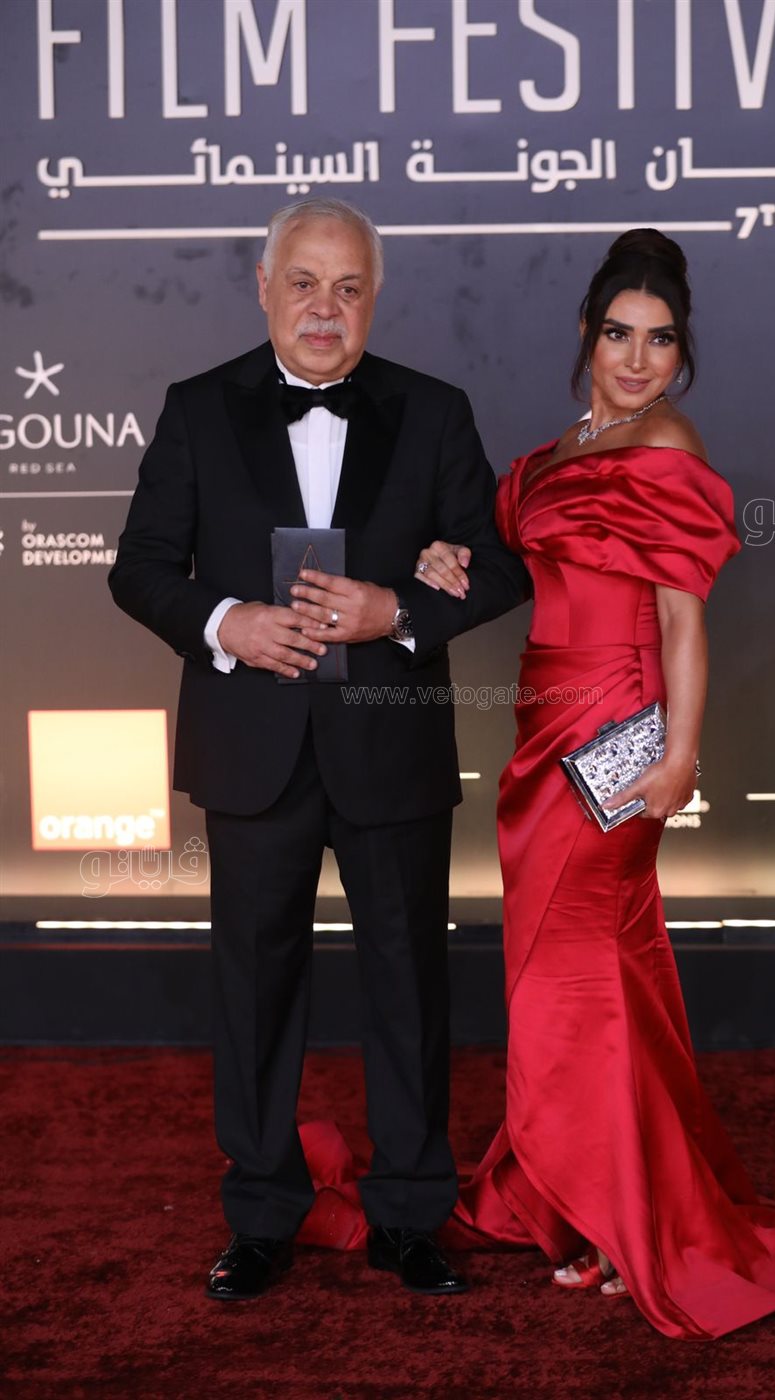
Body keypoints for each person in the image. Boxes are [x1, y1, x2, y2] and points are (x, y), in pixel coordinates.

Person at [402, 229, 775, 1338]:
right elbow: (516, 560)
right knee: (593, 971)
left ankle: (611, 1217)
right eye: (618, 334)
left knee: (580, 975)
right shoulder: (562, 448)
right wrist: (448, 557)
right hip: (542, 724)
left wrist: (679, 754)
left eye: (661, 340)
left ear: (682, 353)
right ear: (587, 336)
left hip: (618, 728)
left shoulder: (667, 442)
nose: (638, 359)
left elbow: (684, 622)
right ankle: (587, 1187)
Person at [109, 197, 528, 1300]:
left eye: (348, 287)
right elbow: (139, 566)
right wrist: (227, 624)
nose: (324, 308)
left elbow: (499, 566)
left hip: (391, 747)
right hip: (252, 749)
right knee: (254, 989)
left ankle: (410, 1214)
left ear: (374, 296)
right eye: (303, 282)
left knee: (409, 983)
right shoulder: (198, 409)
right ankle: (260, 1214)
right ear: (264, 287)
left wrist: (397, 609)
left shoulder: (433, 411)